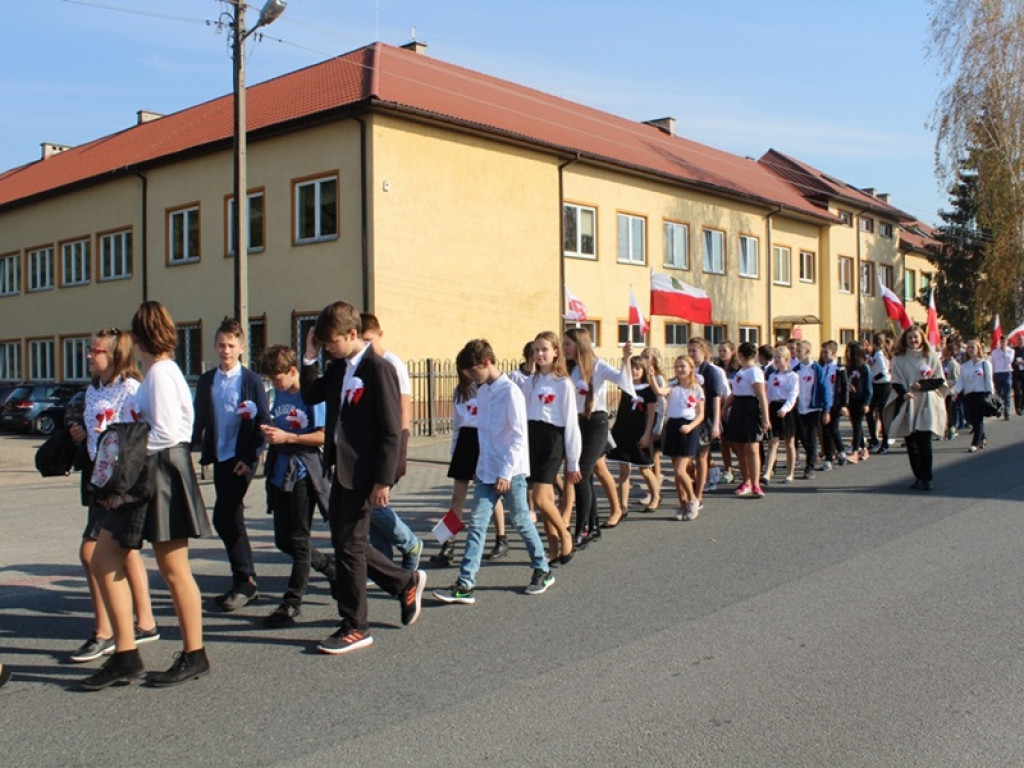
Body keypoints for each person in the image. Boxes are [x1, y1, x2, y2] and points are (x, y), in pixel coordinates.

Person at [80, 301, 212, 690]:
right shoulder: (159, 373)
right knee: (106, 558)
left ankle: (193, 654)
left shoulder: (162, 374)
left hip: (161, 472)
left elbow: (167, 433)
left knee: (173, 569)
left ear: (137, 338)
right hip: (150, 472)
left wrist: (123, 459)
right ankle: (126, 654)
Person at [300, 301, 425, 655]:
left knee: (350, 547)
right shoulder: (339, 366)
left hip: (365, 473)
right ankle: (404, 583)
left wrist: (383, 481)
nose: (328, 348)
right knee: (345, 543)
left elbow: (391, 429)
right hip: (341, 469)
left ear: (352, 334)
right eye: (324, 343)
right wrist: (309, 357)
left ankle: (357, 626)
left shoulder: (378, 369)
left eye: (332, 342)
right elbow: (311, 394)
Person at [433, 339, 555, 604]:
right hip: (487, 471)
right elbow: (484, 435)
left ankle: (543, 569)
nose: (471, 377)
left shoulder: (510, 392)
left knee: (521, 521)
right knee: (477, 525)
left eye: (473, 371)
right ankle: (466, 583)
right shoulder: (483, 391)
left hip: (511, 472)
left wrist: (505, 472)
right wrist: (481, 468)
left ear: (486, 362)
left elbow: (518, 437)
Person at [68, 328, 159, 664]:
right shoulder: (94, 389)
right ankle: (146, 622)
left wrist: (121, 483)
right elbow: (99, 430)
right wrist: (82, 434)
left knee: (91, 552)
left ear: (115, 355)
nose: (90, 356)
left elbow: (136, 435)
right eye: (90, 350)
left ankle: (104, 631)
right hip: (98, 475)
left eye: (97, 351)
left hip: (120, 481)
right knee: (125, 551)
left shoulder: (130, 389)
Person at [191, 318, 269, 611]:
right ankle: (244, 580)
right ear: (214, 347)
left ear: (242, 348)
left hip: (241, 459)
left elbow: (263, 423)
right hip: (220, 456)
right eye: (221, 345)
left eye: (231, 345)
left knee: (225, 517)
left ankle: (245, 580)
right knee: (231, 517)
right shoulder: (208, 381)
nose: (226, 350)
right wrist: (188, 449)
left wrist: (250, 459)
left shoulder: (250, 381)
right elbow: (199, 419)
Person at [257, 345, 336, 627]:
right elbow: (279, 425)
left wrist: (288, 437)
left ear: (293, 371)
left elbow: (323, 436)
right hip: (281, 471)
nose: (274, 383)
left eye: (277, 378)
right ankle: (330, 568)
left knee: (300, 539)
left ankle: (292, 602)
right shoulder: (279, 393)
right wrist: (269, 433)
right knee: (283, 540)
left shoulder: (312, 395)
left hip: (303, 472)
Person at [359, 313, 424, 570]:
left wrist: (401, 451)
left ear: (380, 335)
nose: (366, 346)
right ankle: (384, 564)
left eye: (369, 340)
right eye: (362, 341)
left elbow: (403, 408)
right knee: (374, 506)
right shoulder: (362, 364)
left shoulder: (392, 364)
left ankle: (410, 542)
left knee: (372, 504)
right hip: (369, 446)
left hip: (390, 443)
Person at [562, 327, 633, 546]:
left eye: (567, 344)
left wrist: (626, 359)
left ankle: (582, 528)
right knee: (585, 475)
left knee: (581, 473)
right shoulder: (569, 368)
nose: (564, 348)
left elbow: (621, 380)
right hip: (576, 423)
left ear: (579, 344)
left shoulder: (598, 365)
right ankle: (592, 526)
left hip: (596, 423)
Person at [515, 331, 581, 564]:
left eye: (544, 349)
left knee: (541, 498)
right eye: (536, 350)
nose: (539, 354)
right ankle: (552, 548)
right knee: (545, 500)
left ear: (555, 352)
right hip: (532, 439)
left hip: (553, 440)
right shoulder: (529, 382)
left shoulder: (563, 383)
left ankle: (565, 535)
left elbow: (571, 423)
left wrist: (573, 461)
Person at [432, 368, 506, 567]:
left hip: (484, 439)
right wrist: (454, 450)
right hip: (465, 441)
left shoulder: (489, 388)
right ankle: (448, 544)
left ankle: (501, 539)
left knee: (490, 492)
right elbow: (457, 423)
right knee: (457, 496)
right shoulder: (460, 391)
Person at [884, 326, 947, 491]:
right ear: (905, 340)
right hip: (908, 401)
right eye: (910, 337)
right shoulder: (899, 359)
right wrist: (903, 393)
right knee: (911, 443)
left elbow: (939, 380)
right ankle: (918, 476)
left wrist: (923, 385)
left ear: (921, 338)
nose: (913, 340)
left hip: (926, 401)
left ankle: (927, 478)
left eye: (916, 337)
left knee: (924, 441)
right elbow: (896, 380)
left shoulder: (931, 356)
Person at [605, 355, 658, 525]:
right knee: (623, 470)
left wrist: (647, 434)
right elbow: (622, 371)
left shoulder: (648, 390)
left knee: (645, 469)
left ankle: (655, 496)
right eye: (632, 368)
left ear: (644, 370)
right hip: (623, 430)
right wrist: (625, 359)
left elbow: (651, 414)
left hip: (640, 432)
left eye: (638, 368)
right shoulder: (625, 386)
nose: (634, 371)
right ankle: (623, 505)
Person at [723, 342, 771, 498]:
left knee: (752, 448)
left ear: (740, 355)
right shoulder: (741, 371)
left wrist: (765, 418)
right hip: (738, 408)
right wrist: (725, 408)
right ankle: (746, 481)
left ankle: (756, 484)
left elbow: (761, 396)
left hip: (749, 409)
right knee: (740, 448)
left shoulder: (755, 372)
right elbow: (734, 393)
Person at [662, 355, 705, 520]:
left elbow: (700, 414)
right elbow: (659, 391)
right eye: (677, 366)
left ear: (691, 368)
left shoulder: (697, 388)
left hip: (688, 428)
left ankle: (693, 499)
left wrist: (690, 426)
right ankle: (682, 503)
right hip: (673, 426)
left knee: (680, 470)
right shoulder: (672, 386)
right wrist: (651, 376)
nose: (680, 369)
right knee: (676, 472)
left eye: (683, 366)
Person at [685, 338, 726, 504]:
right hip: (688, 418)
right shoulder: (686, 368)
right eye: (689, 350)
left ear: (704, 352)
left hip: (705, 419)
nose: (691, 354)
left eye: (694, 350)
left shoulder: (711, 371)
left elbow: (716, 397)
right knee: (686, 458)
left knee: (702, 457)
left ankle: (699, 494)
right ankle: (695, 482)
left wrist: (716, 423)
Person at [790, 340, 832, 479]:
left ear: (807, 352)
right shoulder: (796, 369)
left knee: (811, 436)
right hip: (799, 408)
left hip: (813, 408)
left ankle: (810, 467)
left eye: (799, 351)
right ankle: (812, 456)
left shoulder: (816, 369)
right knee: (801, 436)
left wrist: (826, 409)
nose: (796, 353)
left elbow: (824, 389)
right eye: (796, 351)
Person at [762, 345, 799, 484]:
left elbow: (793, 395)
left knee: (789, 443)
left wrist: (786, 408)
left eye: (779, 357)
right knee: (773, 442)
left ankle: (790, 473)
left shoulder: (793, 376)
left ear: (787, 359)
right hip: (774, 408)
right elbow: (768, 395)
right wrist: (765, 412)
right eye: (775, 357)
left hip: (787, 410)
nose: (776, 360)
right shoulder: (772, 376)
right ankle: (767, 473)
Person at [954, 338, 994, 453]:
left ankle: (975, 443)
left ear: (978, 349)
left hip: (981, 394)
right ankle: (982, 436)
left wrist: (991, 394)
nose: (970, 350)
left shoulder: (984, 363)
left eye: (973, 347)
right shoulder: (965, 366)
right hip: (968, 394)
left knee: (978, 418)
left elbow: (989, 380)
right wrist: (955, 391)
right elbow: (961, 381)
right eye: (968, 347)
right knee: (971, 418)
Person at [715, 340, 742, 485]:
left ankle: (744, 467)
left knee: (734, 441)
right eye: (720, 350)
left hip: (733, 406)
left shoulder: (738, 369)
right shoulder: (717, 369)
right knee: (724, 441)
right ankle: (728, 470)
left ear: (732, 352)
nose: (721, 353)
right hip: (718, 406)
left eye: (724, 350)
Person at [819, 340, 848, 469]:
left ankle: (841, 451)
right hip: (825, 404)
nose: (824, 355)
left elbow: (844, 387)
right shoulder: (822, 367)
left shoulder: (839, 368)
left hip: (835, 403)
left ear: (834, 353)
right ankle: (828, 458)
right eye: (823, 352)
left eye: (826, 352)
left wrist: (844, 404)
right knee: (825, 431)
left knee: (833, 429)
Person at [844, 341, 873, 462]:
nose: (847, 353)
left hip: (861, 399)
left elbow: (868, 387)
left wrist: (867, 403)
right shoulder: (848, 367)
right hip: (851, 399)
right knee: (856, 424)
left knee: (857, 424)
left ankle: (855, 450)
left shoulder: (864, 368)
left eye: (850, 351)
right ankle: (863, 449)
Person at [866, 332, 892, 454]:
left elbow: (883, 372)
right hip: (877, 385)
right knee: (869, 411)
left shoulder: (880, 354)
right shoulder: (876, 354)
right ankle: (874, 439)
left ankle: (885, 441)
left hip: (882, 385)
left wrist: (872, 379)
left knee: (882, 413)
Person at [990, 336, 1014, 421]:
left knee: (1007, 394)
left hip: (1006, 373)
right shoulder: (995, 352)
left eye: (1004, 341)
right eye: (1001, 341)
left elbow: (1009, 361)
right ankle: (999, 410)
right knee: (999, 394)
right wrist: (992, 374)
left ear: (1007, 342)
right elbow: (992, 363)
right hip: (997, 373)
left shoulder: (1011, 351)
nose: (1002, 343)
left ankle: (1007, 412)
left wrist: (1004, 352)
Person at [941, 343, 961, 439]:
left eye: (944, 350)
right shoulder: (942, 362)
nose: (942, 351)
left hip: (950, 391)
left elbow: (956, 379)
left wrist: (946, 382)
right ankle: (944, 429)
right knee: (943, 410)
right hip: (942, 391)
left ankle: (952, 428)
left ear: (949, 352)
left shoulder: (953, 364)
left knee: (950, 410)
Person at [1012, 336, 1024, 416]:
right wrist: (1014, 363)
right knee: (1017, 391)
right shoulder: (1014, 350)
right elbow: (1010, 360)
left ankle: (1022, 406)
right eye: (1019, 339)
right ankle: (1017, 408)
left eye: (1021, 339)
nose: (1020, 341)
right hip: (1016, 373)